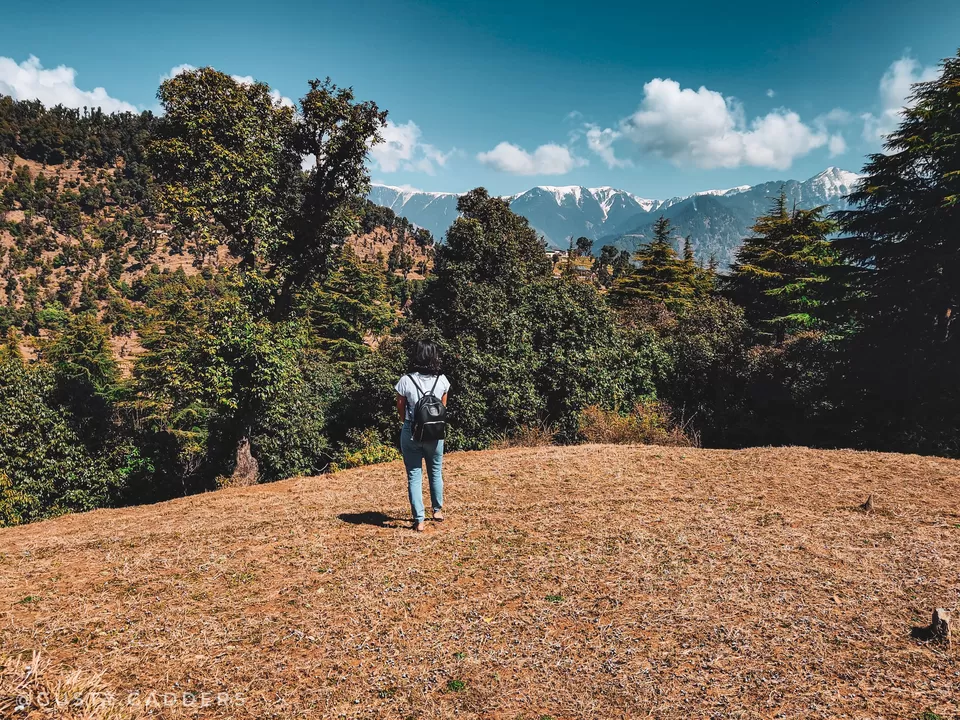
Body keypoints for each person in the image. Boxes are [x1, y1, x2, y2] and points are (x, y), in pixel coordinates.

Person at [395, 340, 450, 532]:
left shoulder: (406, 380)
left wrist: (406, 422)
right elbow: (443, 406)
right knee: (435, 471)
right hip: (435, 432)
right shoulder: (442, 380)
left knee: (414, 474)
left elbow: (400, 406)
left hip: (412, 431)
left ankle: (419, 520)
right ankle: (437, 510)